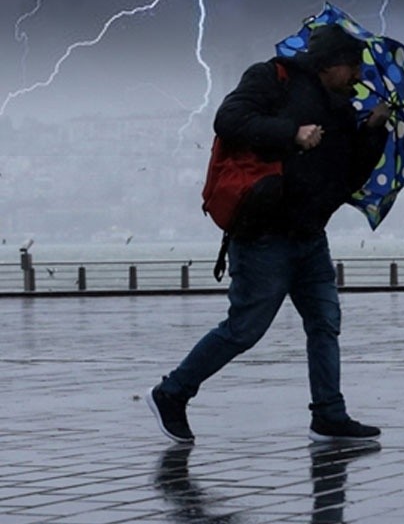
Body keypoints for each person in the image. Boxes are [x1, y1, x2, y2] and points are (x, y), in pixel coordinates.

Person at [147, 24, 390, 444]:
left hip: (310, 236)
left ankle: (329, 415)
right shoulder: (271, 78)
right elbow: (229, 120)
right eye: (353, 66)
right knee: (245, 328)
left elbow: (348, 179)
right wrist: (291, 134)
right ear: (330, 64)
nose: (358, 76)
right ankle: (172, 392)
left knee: (325, 322)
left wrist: (371, 132)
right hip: (264, 234)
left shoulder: (343, 110)